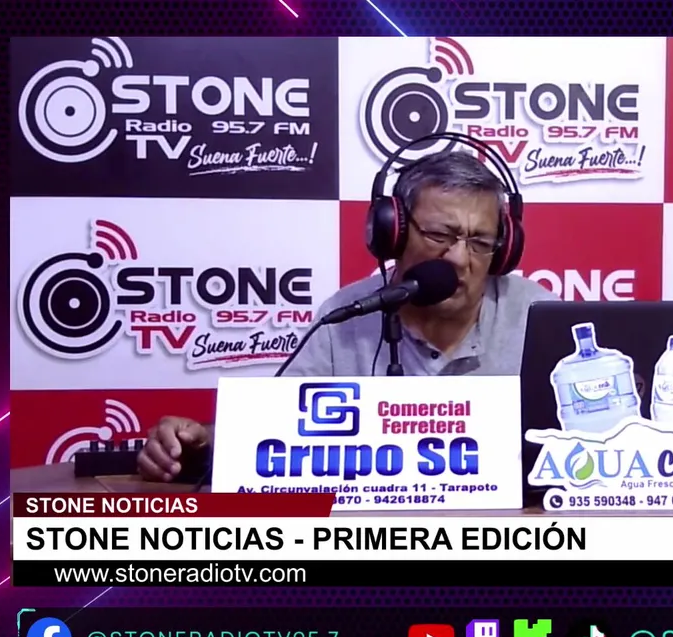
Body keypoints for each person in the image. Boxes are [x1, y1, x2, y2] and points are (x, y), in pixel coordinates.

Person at [137, 150, 557, 482]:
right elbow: (275, 437)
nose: (460, 259)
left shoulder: (538, 315)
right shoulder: (345, 318)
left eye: (480, 241)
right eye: (439, 235)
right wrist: (203, 445)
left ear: (504, 249)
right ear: (393, 232)